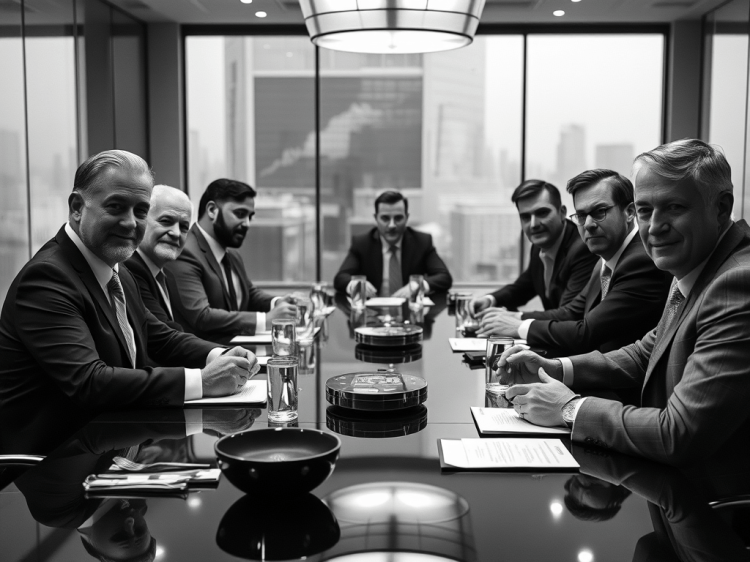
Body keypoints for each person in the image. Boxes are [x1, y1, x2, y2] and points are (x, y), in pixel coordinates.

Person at [500, 139, 750, 466]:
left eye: (674, 207)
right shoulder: (694, 266)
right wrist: (555, 368)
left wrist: (569, 408)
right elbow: (645, 352)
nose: (655, 228)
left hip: (709, 491)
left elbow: (680, 434)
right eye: (645, 210)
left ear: (721, 207)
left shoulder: (736, 283)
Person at [0, 150, 257, 415]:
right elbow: (89, 382)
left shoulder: (118, 270)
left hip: (115, 429)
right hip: (63, 440)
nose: (130, 223)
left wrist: (221, 355)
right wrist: (202, 381)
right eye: (116, 206)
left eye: (141, 211)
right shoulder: (46, 277)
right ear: (77, 207)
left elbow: (161, 338)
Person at [478, 169, 672, 356]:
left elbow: (586, 333)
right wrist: (514, 318)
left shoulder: (640, 261)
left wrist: (520, 326)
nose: (588, 224)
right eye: (581, 215)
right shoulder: (605, 261)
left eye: (600, 211)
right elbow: (573, 312)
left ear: (629, 212)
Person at [165, 179, 297, 343]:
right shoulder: (184, 251)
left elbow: (249, 294)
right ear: (212, 210)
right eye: (240, 214)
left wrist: (278, 302)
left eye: (250, 217)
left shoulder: (231, 254)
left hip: (236, 350)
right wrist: (266, 319)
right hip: (204, 355)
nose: (247, 224)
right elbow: (201, 316)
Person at [470, 180, 598, 313]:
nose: (533, 224)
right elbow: (524, 287)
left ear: (562, 212)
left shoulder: (583, 248)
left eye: (542, 213)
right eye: (525, 217)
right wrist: (490, 299)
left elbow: (568, 315)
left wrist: (513, 319)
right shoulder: (539, 245)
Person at [333, 191, 452, 297]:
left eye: (398, 218)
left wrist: (418, 286)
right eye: (385, 218)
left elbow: (444, 277)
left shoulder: (422, 242)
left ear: (407, 218)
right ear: (376, 218)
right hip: (372, 312)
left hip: (410, 311)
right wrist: (356, 284)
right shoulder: (362, 243)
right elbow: (340, 278)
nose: (392, 225)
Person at [125, 184, 191, 331]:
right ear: (141, 220)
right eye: (166, 221)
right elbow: (164, 333)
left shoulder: (168, 276)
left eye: (184, 227)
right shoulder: (130, 269)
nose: (176, 233)